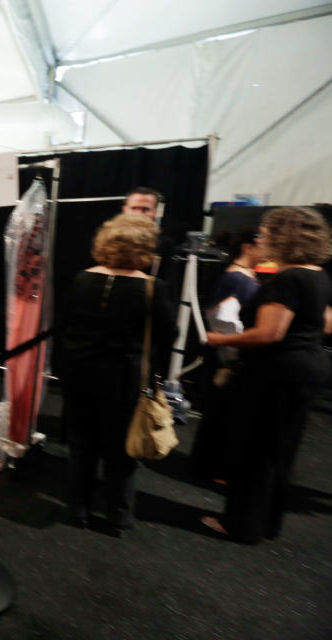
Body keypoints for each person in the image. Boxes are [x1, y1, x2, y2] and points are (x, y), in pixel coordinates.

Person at [202, 207, 332, 544]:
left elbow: (269, 334)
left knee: (255, 451)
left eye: (267, 232)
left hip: (276, 372)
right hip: (305, 369)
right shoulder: (317, 274)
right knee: (279, 450)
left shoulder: (289, 279)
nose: (262, 239)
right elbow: (327, 323)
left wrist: (221, 339)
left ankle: (240, 525)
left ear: (284, 236)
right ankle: (265, 523)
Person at [62, 213, 176, 534]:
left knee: (81, 445)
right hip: (124, 380)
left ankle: (78, 511)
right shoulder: (154, 288)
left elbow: (66, 324)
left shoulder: (82, 278)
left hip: (78, 374)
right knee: (121, 450)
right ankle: (118, 515)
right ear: (146, 249)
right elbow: (168, 335)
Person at [191, 227, 262, 483]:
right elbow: (223, 318)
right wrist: (231, 354)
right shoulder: (238, 279)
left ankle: (210, 465)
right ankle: (214, 467)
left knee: (222, 413)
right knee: (224, 414)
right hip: (227, 354)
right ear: (248, 246)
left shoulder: (242, 276)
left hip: (227, 351)